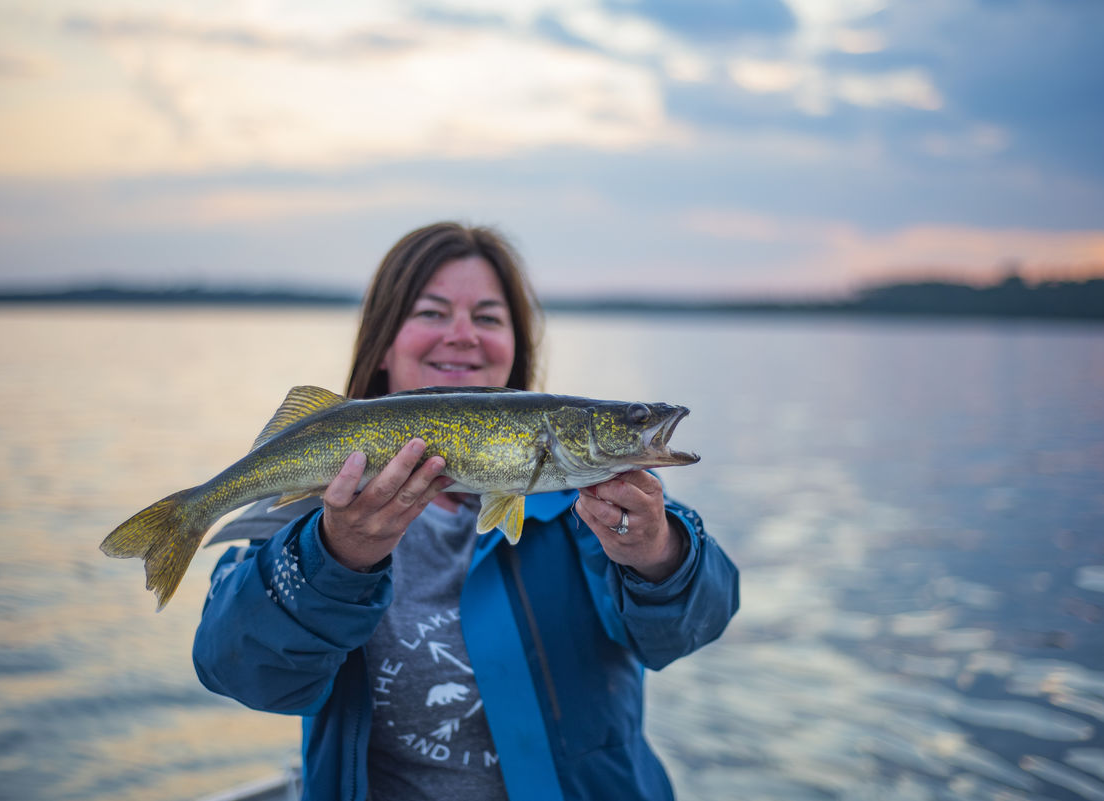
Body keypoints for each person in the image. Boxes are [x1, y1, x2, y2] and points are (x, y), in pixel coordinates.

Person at [192, 222, 740, 801]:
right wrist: (335, 557)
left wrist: (659, 555)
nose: (462, 336)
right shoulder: (310, 518)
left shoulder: (603, 501)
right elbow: (238, 669)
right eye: (431, 313)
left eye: (487, 317)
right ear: (383, 342)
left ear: (515, 345)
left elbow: (690, 628)